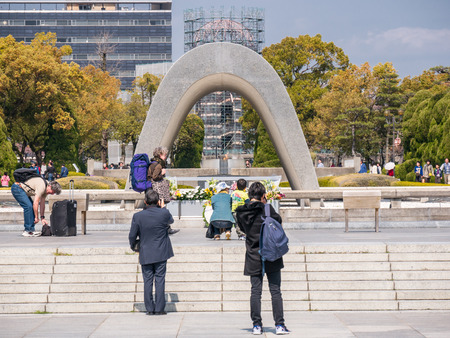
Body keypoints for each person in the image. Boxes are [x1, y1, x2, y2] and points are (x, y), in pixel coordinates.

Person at [236, 182, 290, 335]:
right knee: (275, 291)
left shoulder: (241, 212)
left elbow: (242, 228)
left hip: (253, 254)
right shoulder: (267, 208)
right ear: (263, 195)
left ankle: (256, 325)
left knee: (255, 292)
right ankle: (279, 325)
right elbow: (278, 222)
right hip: (271, 254)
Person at [129, 190, 174, 316]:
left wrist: (133, 246)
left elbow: (132, 235)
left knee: (147, 280)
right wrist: (163, 207)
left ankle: (149, 308)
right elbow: (171, 221)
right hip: (161, 251)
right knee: (160, 279)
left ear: (145, 202)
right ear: (158, 201)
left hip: (146, 250)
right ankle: (159, 308)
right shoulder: (164, 213)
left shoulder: (138, 216)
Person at [148, 147, 179, 235]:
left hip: (153, 189)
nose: (165, 157)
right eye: (164, 155)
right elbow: (155, 177)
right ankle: (166, 228)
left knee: (157, 208)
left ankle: (165, 228)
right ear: (160, 155)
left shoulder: (153, 162)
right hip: (158, 189)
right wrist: (162, 173)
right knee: (161, 208)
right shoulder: (158, 164)